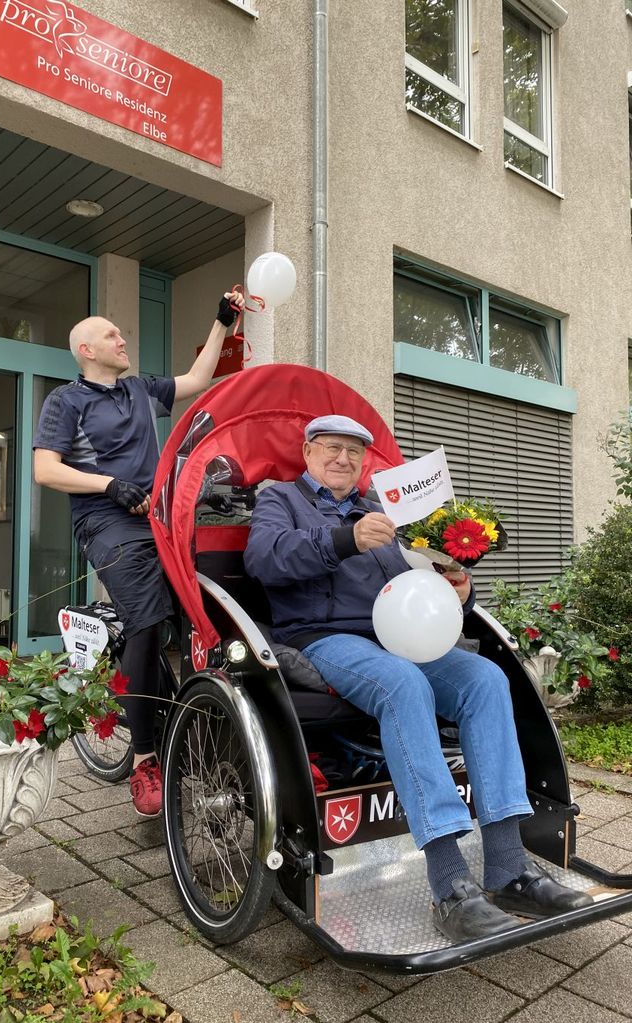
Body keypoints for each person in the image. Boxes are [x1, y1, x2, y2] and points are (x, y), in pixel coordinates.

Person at [243, 414, 592, 942]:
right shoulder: (281, 501)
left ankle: (507, 869)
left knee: (485, 679)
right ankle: (450, 883)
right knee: (403, 683)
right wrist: (344, 539)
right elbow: (264, 559)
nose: (343, 459)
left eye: (354, 452)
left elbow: (420, 582)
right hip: (324, 636)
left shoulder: (382, 512)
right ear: (308, 451)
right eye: (332, 448)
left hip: (400, 635)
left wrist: (457, 589)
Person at [33, 290, 245, 818]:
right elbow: (45, 470)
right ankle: (147, 757)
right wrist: (107, 486)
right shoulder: (67, 401)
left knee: (204, 605)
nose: (121, 339)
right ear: (86, 349)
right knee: (147, 623)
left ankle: (199, 711)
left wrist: (222, 321)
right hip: (106, 524)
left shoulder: (139, 390)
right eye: (110, 334)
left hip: (159, 519)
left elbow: (197, 381)